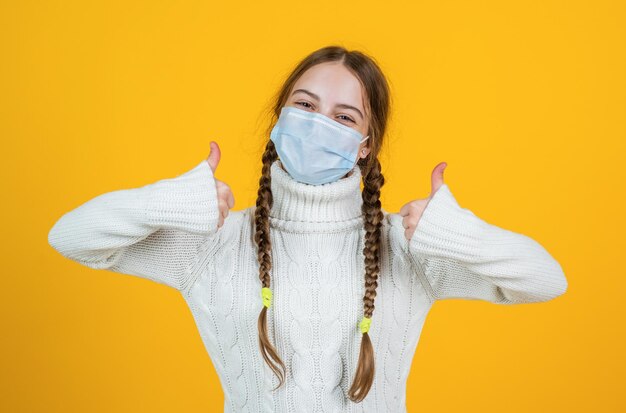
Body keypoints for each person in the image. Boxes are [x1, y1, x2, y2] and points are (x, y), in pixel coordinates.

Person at [47, 45, 568, 412]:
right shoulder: (214, 244)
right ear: (279, 117)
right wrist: (170, 200)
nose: (319, 124)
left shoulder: (407, 250)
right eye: (305, 105)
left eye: (344, 118)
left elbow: (546, 280)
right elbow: (71, 237)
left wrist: (457, 234)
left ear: (366, 145)